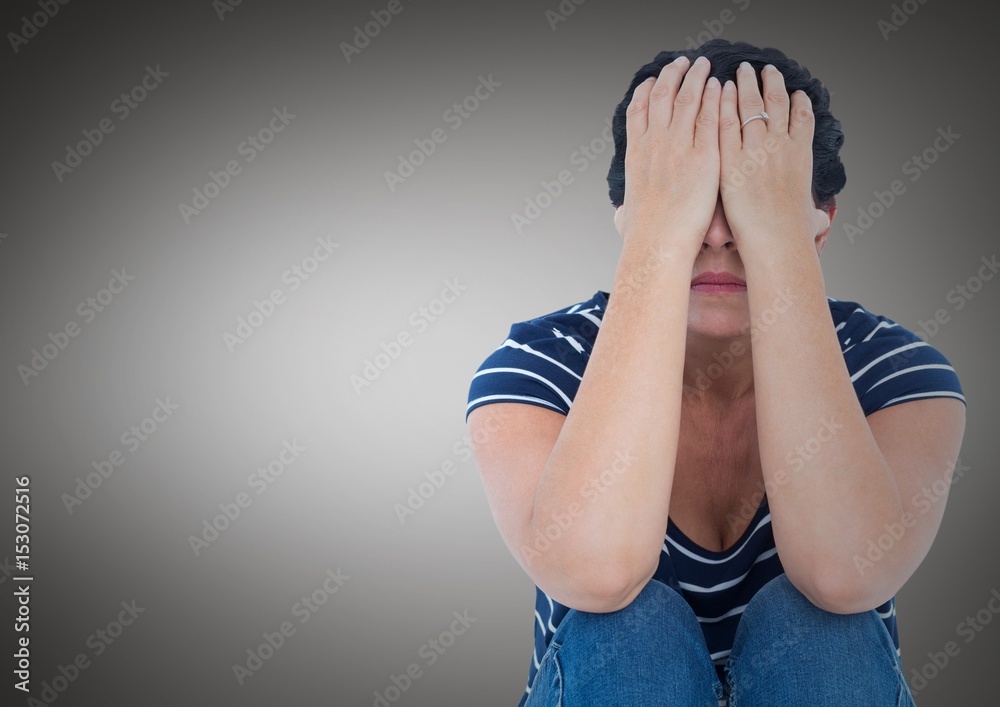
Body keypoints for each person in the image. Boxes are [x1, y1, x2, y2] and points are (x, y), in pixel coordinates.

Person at [465, 39, 966, 706]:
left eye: (751, 195)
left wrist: (778, 241)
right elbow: (598, 573)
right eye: (691, 195)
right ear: (631, 216)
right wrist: (659, 237)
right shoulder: (535, 364)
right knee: (632, 631)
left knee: (822, 630)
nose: (718, 234)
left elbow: (845, 574)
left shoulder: (900, 371)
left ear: (820, 225)